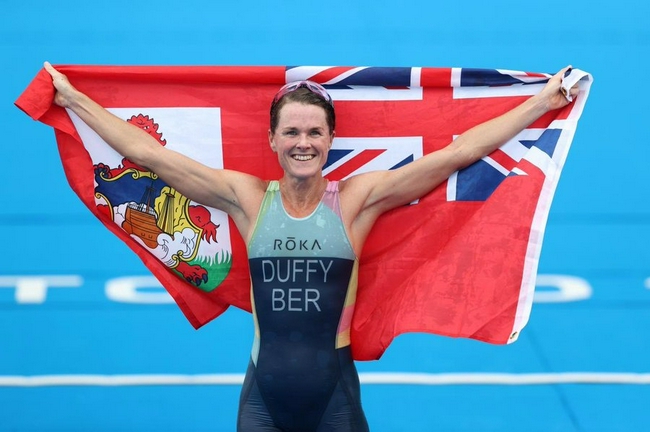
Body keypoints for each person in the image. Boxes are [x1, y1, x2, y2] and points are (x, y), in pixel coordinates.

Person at [43, 62, 578, 432]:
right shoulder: (247, 199)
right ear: (273, 140)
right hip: (261, 403)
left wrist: (542, 101)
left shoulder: (357, 202)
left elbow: (457, 155)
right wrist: (72, 98)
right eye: (293, 132)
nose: (304, 143)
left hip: (333, 404)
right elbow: (149, 154)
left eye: (315, 133)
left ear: (330, 140)